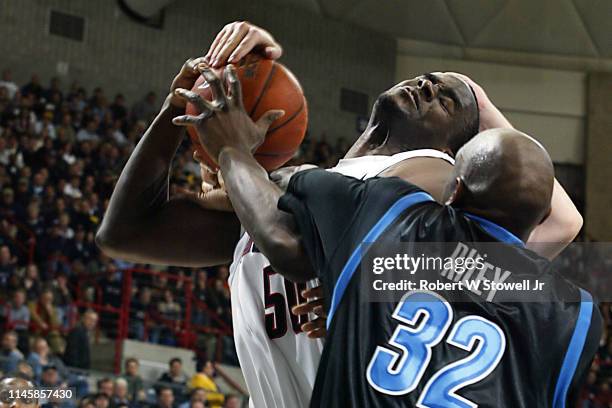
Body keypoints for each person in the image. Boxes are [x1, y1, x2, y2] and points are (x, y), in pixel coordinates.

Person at [96, 22, 583, 408]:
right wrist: (175, 110)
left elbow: (561, 222)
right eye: (428, 79)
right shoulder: (278, 196)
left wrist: (475, 93)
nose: (428, 84)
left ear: (459, 151)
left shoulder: (426, 179)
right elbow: (125, 232)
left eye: (446, 98)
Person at [190, 80, 602, 406]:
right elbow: (565, 221)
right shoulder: (575, 311)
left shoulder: (391, 209)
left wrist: (233, 155)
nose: (426, 86)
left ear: (452, 189)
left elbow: (286, 216)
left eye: (448, 98)